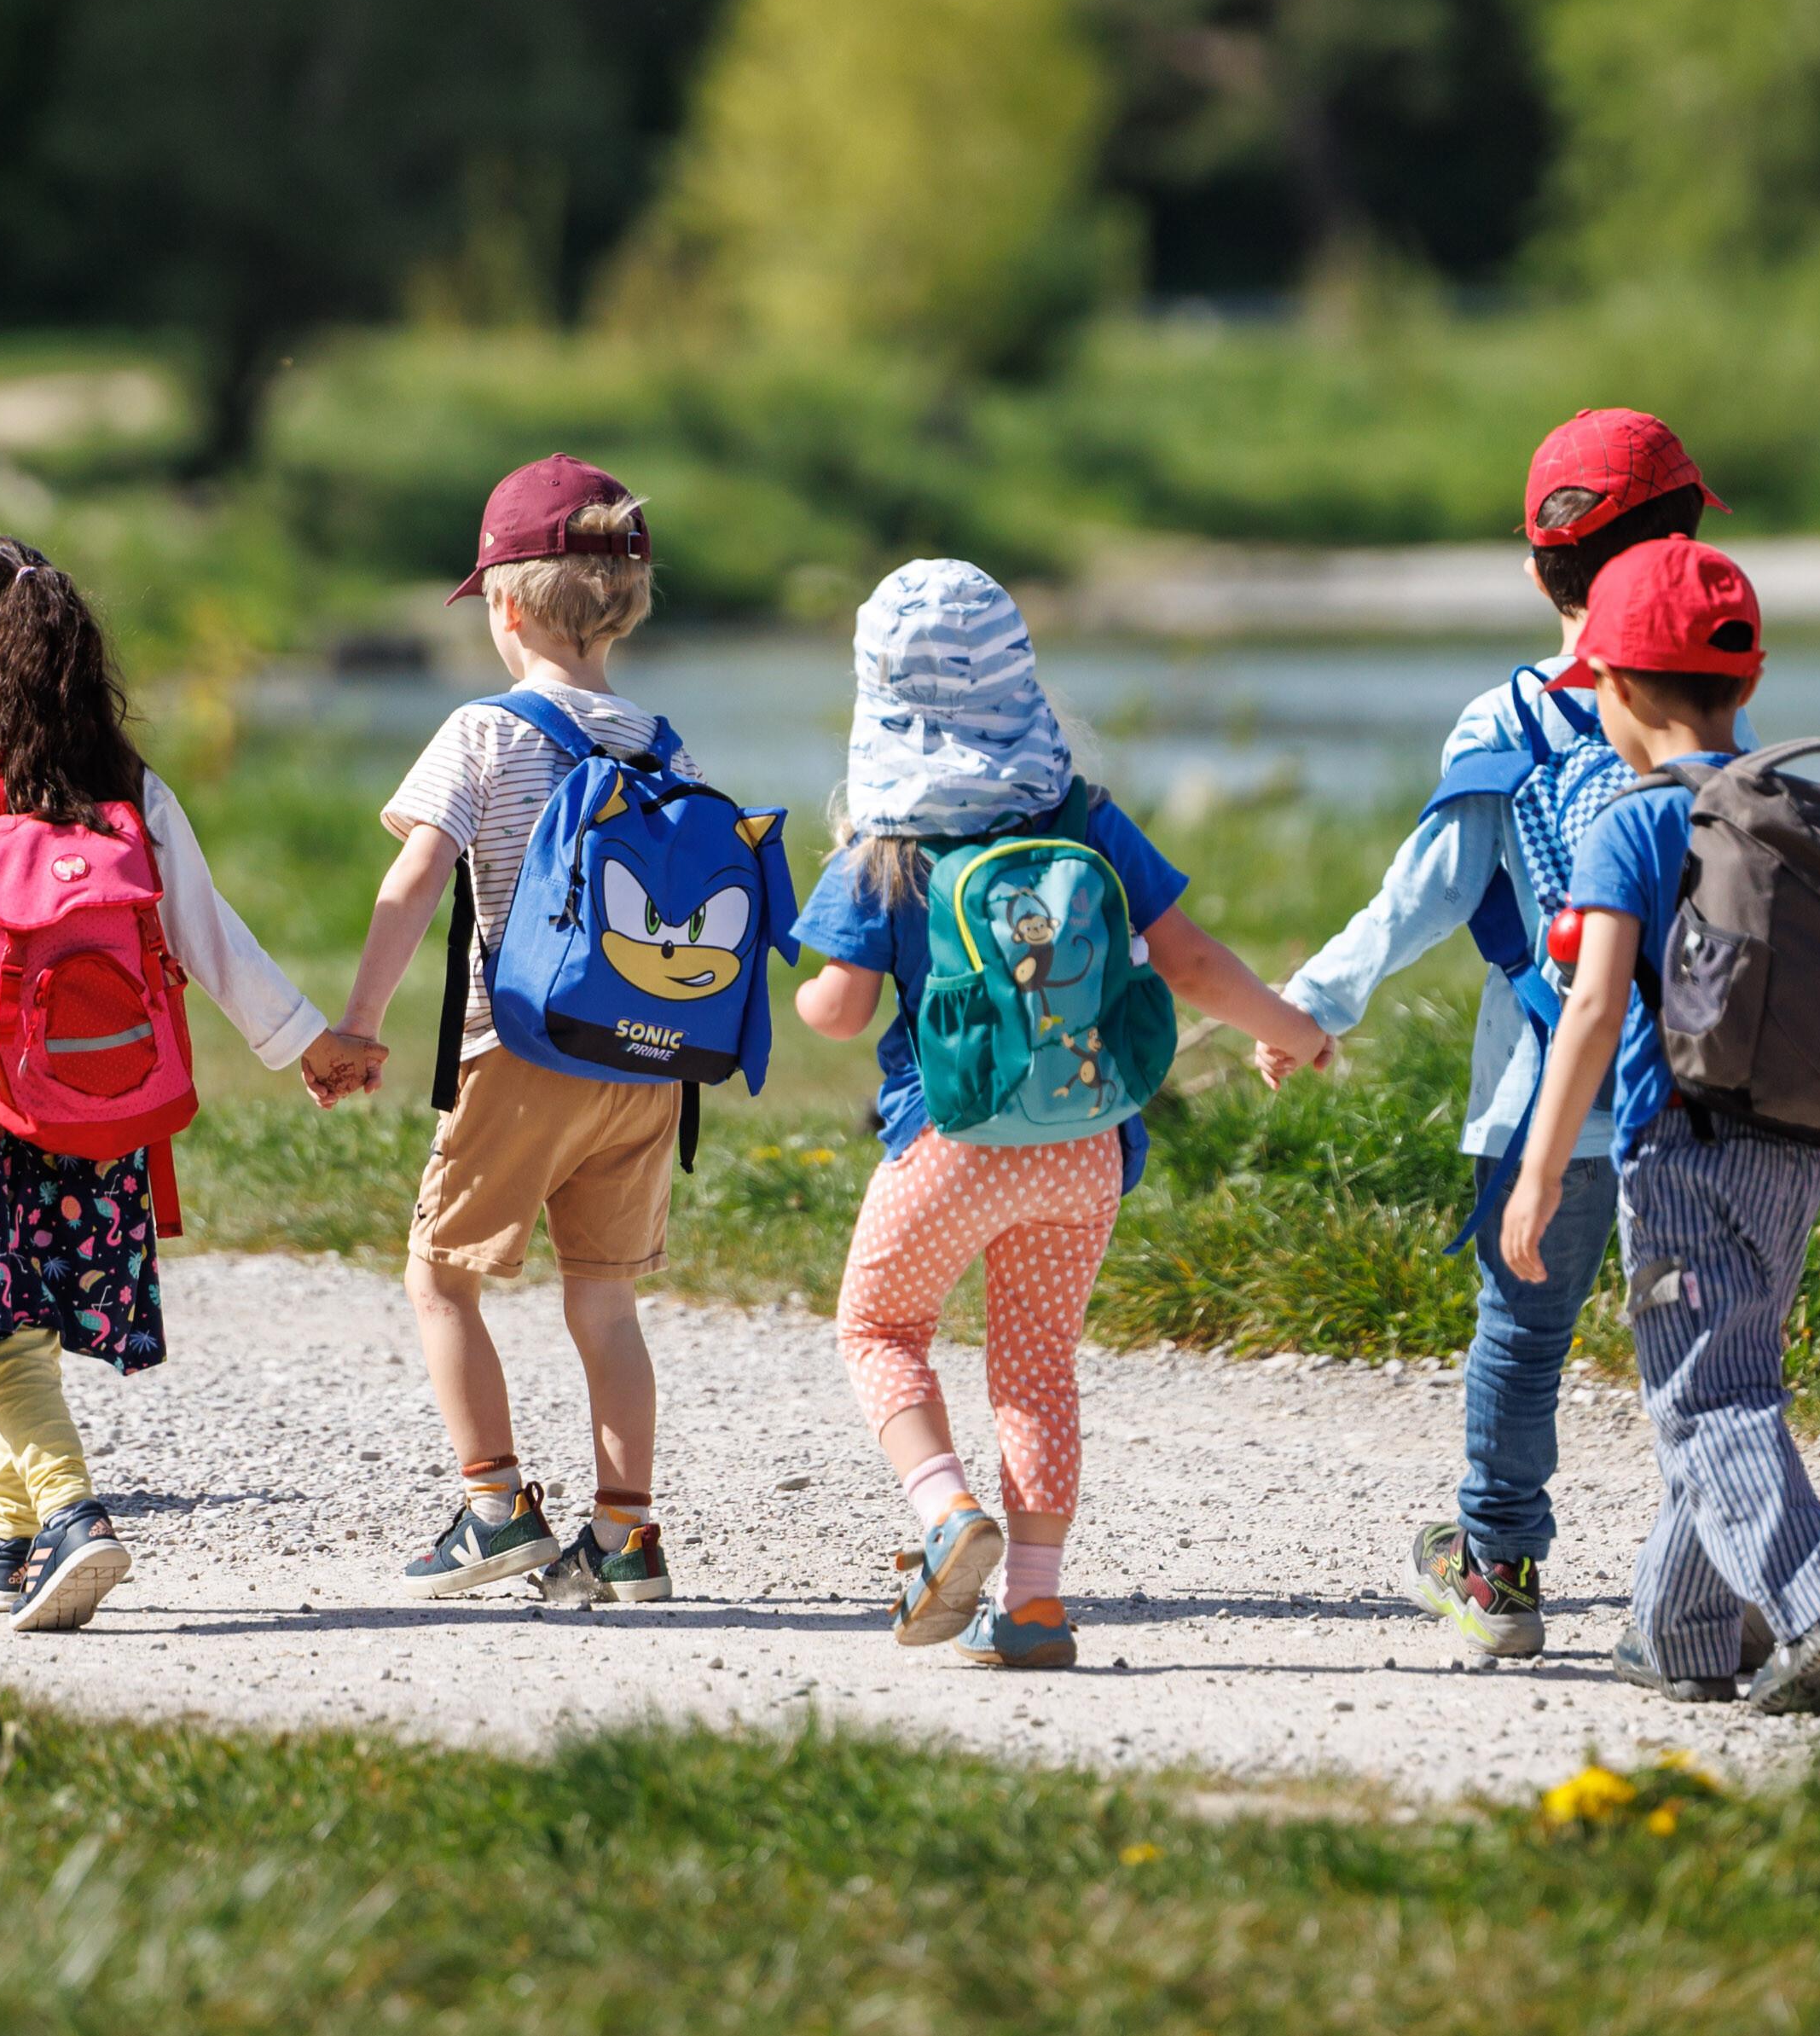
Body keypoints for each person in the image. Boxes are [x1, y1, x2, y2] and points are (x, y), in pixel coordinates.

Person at [0, 538, 370, 1632]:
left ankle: (70, 1515)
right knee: (23, 1321)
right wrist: (307, 1041)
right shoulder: (132, 793)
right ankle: (4, 1537)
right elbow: (211, 937)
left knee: (4, 1322)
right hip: (104, 1108)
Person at [792, 560, 1337, 1671]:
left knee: (880, 1330)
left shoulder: (884, 845)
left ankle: (947, 1516)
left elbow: (839, 1014)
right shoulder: (1084, 816)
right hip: (1086, 1144)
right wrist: (1293, 1028)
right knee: (1037, 1368)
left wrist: (804, 992)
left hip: (950, 1140)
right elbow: (1191, 962)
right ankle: (1035, 1608)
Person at [1269, 406, 1718, 1659]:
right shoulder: (1710, 705)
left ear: (1538, 571)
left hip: (1540, 1098)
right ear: (1686, 549)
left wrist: (1313, 1002)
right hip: (1703, 1099)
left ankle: (1500, 1571)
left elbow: (1423, 894)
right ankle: (1719, 1570)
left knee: (1521, 1337)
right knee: (1700, 1345)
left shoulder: (1504, 723)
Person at [1504, 536, 1820, 1716]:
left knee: (1705, 1397)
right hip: (1798, 1151)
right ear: (1751, 676)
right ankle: (1678, 1630)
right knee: (1723, 1370)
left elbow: (1590, 1010)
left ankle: (1812, 1603)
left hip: (1678, 1152)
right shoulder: (1805, 814)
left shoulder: (1631, 823)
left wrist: (1538, 1170)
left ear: (1615, 686)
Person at [327, 455, 715, 1605]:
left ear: (503, 606)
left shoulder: (484, 732)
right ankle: (625, 1536)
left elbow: (413, 880)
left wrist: (359, 1023)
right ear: (626, 605)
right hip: (649, 1062)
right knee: (605, 1298)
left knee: (441, 1277)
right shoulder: (664, 744)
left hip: (520, 1051)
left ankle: (494, 1508)